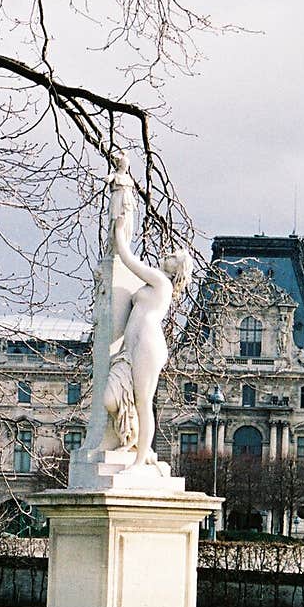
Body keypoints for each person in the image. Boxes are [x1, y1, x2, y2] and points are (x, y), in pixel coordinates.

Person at [104, 176, 193, 466]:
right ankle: (132, 444)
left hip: (147, 344)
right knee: (113, 399)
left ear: (176, 268)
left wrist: (120, 229)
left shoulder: (161, 282)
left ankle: (140, 458)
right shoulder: (157, 284)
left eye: (171, 256)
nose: (165, 256)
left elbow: (129, 259)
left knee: (143, 402)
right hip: (132, 347)